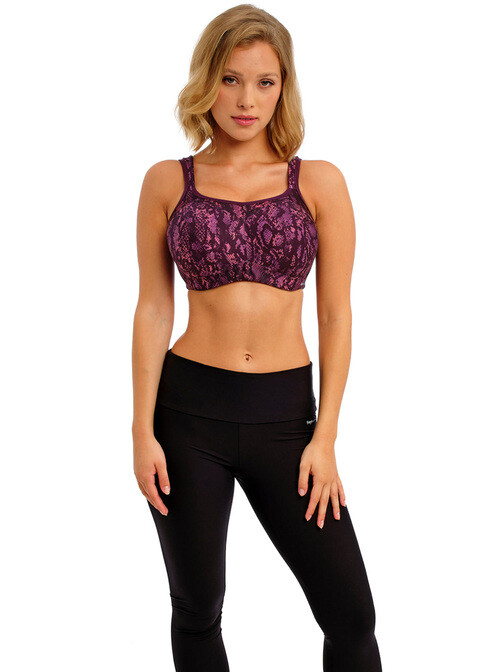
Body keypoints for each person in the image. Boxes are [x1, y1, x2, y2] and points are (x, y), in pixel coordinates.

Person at [131, 5, 382, 671]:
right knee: (197, 608)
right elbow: (153, 309)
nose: (247, 100)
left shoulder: (319, 182)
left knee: (351, 615)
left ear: (283, 87)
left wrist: (325, 437)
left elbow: (336, 315)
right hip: (186, 416)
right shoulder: (167, 181)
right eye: (231, 79)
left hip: (285, 419)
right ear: (207, 81)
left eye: (265, 82)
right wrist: (141, 430)